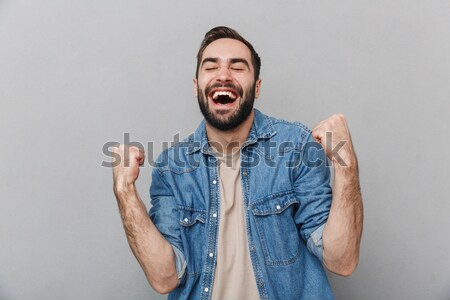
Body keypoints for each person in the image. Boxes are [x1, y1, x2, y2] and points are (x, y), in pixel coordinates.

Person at [112, 26, 363, 300]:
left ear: (256, 87)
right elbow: (165, 278)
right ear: (197, 86)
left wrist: (345, 162)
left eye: (238, 67)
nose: (223, 75)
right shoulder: (171, 167)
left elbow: (341, 260)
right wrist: (125, 191)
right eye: (211, 67)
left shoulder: (297, 147)